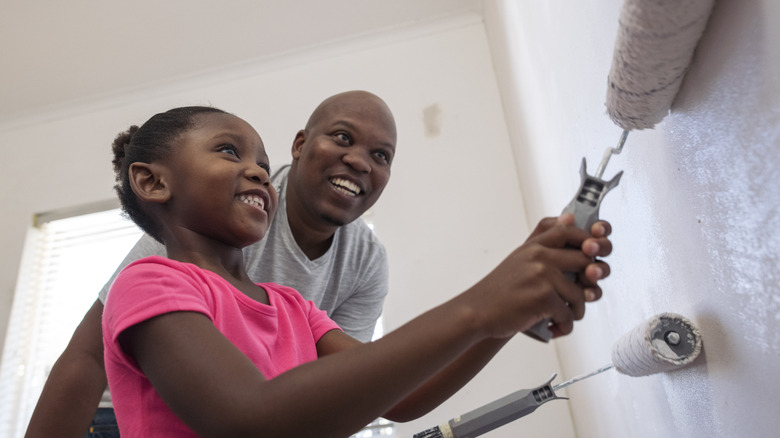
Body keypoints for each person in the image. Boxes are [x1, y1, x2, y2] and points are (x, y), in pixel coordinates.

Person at [100, 106, 612, 437]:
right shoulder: (150, 283)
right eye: (230, 152)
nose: (258, 169)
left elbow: (402, 397)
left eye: (262, 159)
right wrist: (482, 305)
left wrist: (506, 318)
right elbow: (250, 418)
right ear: (152, 182)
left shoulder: (293, 306)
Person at [25, 90, 396, 438]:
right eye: (343, 138)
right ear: (300, 145)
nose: (359, 161)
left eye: (381, 155)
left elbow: (353, 384)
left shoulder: (355, 267)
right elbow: (88, 355)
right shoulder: (207, 214)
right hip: (123, 413)